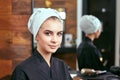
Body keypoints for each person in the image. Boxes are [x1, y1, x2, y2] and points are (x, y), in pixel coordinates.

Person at [11, 8, 72, 80]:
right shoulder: (22, 71)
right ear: (36, 35)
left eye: (59, 34)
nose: (55, 40)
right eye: (48, 33)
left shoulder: (62, 66)